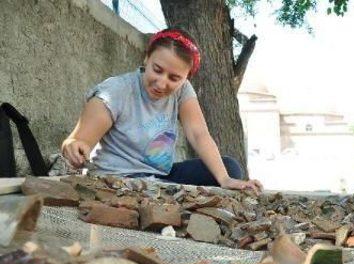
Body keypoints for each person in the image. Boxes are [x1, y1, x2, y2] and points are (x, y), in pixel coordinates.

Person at [61, 28, 262, 195]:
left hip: (161, 176)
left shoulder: (183, 90)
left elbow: (198, 134)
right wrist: (75, 147)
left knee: (229, 168)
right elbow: (78, 140)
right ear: (147, 58)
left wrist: (225, 179)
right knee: (158, 191)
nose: (162, 82)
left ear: (185, 78)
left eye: (174, 78)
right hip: (121, 177)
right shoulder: (116, 91)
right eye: (157, 70)